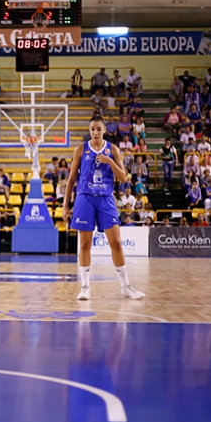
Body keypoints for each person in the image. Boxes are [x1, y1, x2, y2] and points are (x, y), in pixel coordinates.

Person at [62, 116, 145, 301]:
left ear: (104, 130)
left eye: (98, 129)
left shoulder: (112, 149)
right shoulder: (81, 149)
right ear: (89, 130)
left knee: (115, 243)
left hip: (106, 199)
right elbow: (71, 179)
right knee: (84, 244)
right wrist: (65, 205)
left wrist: (109, 161)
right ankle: (85, 287)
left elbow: (124, 178)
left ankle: (125, 287)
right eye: (92, 129)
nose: (95, 132)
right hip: (85, 198)